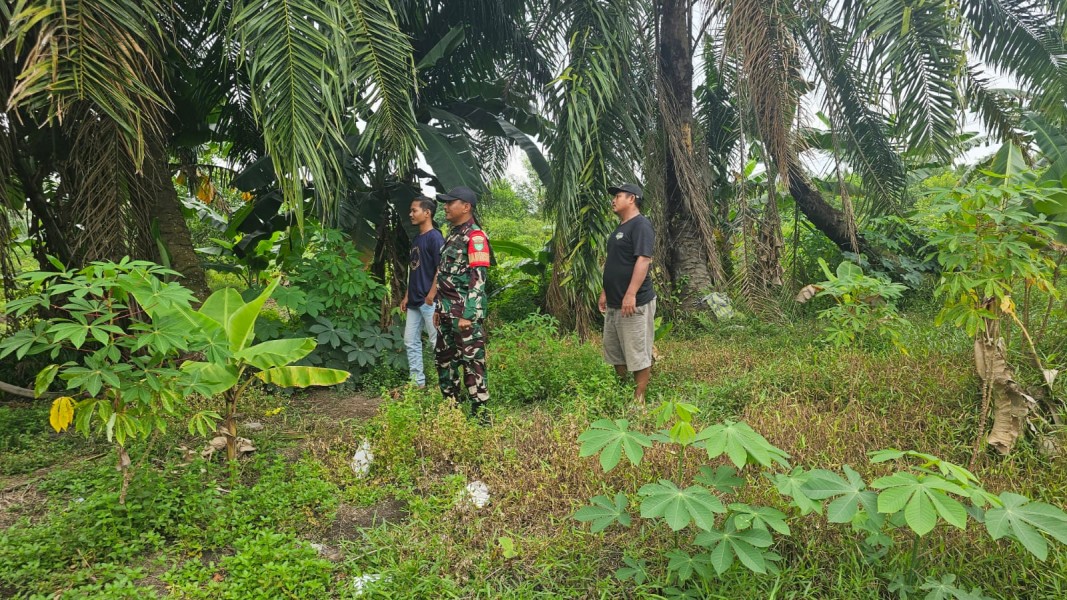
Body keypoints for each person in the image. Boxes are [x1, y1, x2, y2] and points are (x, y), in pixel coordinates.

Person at [433, 186, 491, 417]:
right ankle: (451, 410)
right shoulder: (453, 234)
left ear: (466, 207)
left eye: (450, 202)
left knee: (472, 362)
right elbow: (445, 275)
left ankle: (481, 413)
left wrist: (468, 314)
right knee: (444, 361)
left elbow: (479, 278)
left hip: (463, 315)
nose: (445, 207)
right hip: (446, 313)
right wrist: (439, 308)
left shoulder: (475, 237)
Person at [598, 182, 656, 403]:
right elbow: (613, 262)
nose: (613, 200)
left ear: (632, 198)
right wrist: (605, 291)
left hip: (635, 302)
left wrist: (631, 294)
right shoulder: (619, 229)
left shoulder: (641, 225)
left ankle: (639, 400)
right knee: (615, 351)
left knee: (637, 350)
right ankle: (623, 393)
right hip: (614, 302)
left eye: (618, 196)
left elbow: (644, 260)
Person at [400, 196, 445, 388]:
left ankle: (445, 383)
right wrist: (407, 295)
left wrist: (431, 295)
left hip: (429, 301)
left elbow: (441, 268)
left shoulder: (436, 237)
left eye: (414, 210)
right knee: (410, 341)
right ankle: (417, 383)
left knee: (437, 342)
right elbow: (414, 268)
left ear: (427, 213)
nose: (410, 214)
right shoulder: (417, 239)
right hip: (414, 300)